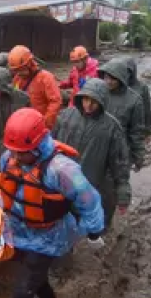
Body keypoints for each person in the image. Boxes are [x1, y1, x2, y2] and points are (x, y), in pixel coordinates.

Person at [0, 108, 105, 298]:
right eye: (13, 150)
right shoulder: (9, 157)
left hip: (48, 236)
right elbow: (6, 187)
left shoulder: (62, 170)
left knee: (22, 291)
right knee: (31, 276)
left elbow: (89, 200)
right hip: (18, 230)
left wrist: (94, 231)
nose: (15, 157)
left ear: (37, 143)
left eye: (22, 152)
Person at [52, 78, 131, 230]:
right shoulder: (66, 115)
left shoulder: (112, 127)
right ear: (80, 97)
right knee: (62, 215)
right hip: (62, 179)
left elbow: (120, 163)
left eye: (94, 101)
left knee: (90, 216)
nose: (88, 105)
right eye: (86, 99)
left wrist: (123, 193)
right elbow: (51, 144)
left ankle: (94, 234)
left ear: (102, 101)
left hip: (90, 182)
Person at [98, 57, 147, 169]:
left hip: (120, 149)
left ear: (121, 78)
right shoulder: (99, 93)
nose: (108, 81)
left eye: (113, 79)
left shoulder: (134, 100)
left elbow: (136, 131)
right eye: (106, 77)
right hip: (99, 146)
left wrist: (138, 155)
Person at [8, 45, 63, 129]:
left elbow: (55, 102)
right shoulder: (17, 79)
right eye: (16, 70)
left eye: (21, 69)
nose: (18, 73)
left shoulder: (46, 78)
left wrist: (45, 124)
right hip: (24, 125)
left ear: (29, 64)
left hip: (41, 125)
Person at [123, 58, 151, 145]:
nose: (127, 73)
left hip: (136, 126)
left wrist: (148, 131)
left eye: (129, 70)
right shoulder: (118, 85)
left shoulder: (142, 88)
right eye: (124, 70)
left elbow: (147, 109)